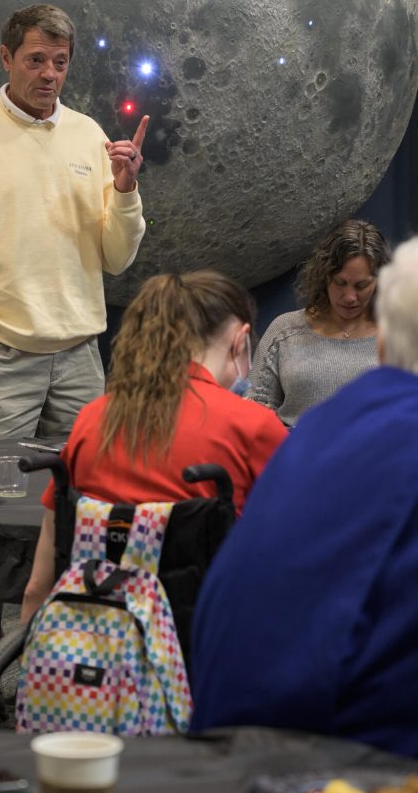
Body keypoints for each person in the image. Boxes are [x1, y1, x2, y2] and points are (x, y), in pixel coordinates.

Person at [191, 236, 418, 758]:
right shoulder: (294, 343)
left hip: (222, 731)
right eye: (342, 283)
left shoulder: (316, 432)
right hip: (330, 756)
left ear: (383, 345)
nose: (350, 296)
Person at [0, 3, 149, 444]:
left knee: (81, 480)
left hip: (79, 358)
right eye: (36, 60)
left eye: (60, 63)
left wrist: (125, 189)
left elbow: (117, 259)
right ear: (6, 58)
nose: (49, 74)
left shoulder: (89, 135)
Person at [21, 271, 288, 623]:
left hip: (97, 639)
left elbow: (37, 586)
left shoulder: (92, 419)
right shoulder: (253, 426)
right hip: (209, 640)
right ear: (240, 340)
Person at [246, 218, 390, 427]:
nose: (350, 297)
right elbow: (253, 411)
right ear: (324, 276)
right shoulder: (285, 330)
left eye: (361, 286)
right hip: (295, 445)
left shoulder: (398, 336)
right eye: (340, 283)